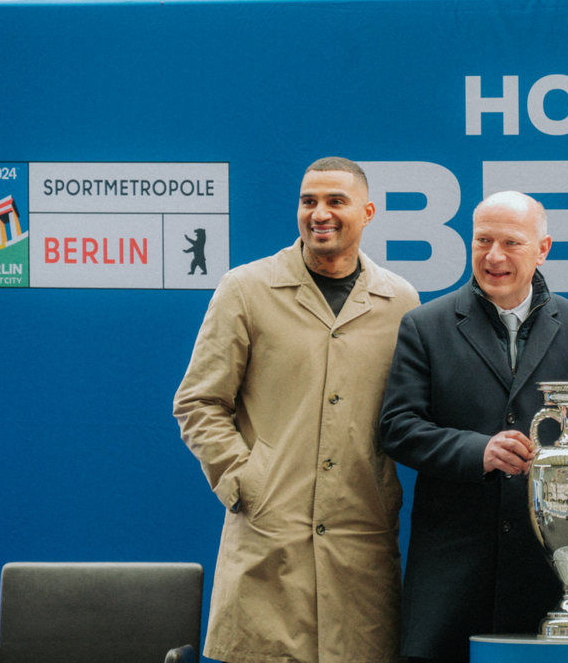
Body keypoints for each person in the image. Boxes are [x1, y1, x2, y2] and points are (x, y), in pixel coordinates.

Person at [174, 157, 419, 663]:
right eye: (309, 201)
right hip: (269, 542)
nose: (319, 213)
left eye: (335, 201)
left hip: (361, 548)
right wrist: (246, 481)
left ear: (368, 212)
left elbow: (411, 413)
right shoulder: (246, 288)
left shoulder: (400, 301)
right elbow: (199, 400)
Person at [379, 191, 568, 663]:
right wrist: (476, 451)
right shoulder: (425, 325)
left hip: (546, 575)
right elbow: (397, 427)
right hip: (450, 579)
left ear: (543, 249)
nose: (494, 256)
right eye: (483, 240)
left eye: (512, 243)